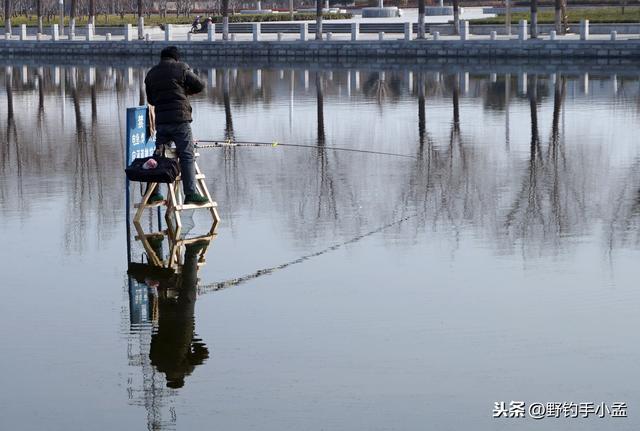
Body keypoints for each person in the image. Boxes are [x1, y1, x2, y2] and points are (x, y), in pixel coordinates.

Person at [144, 46, 208, 205]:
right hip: (180, 120)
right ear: (176, 58)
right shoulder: (182, 68)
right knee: (187, 155)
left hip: (162, 122)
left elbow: (151, 100)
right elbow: (200, 85)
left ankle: (154, 194)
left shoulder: (151, 74)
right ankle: (191, 194)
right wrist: (186, 90)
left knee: (158, 156)